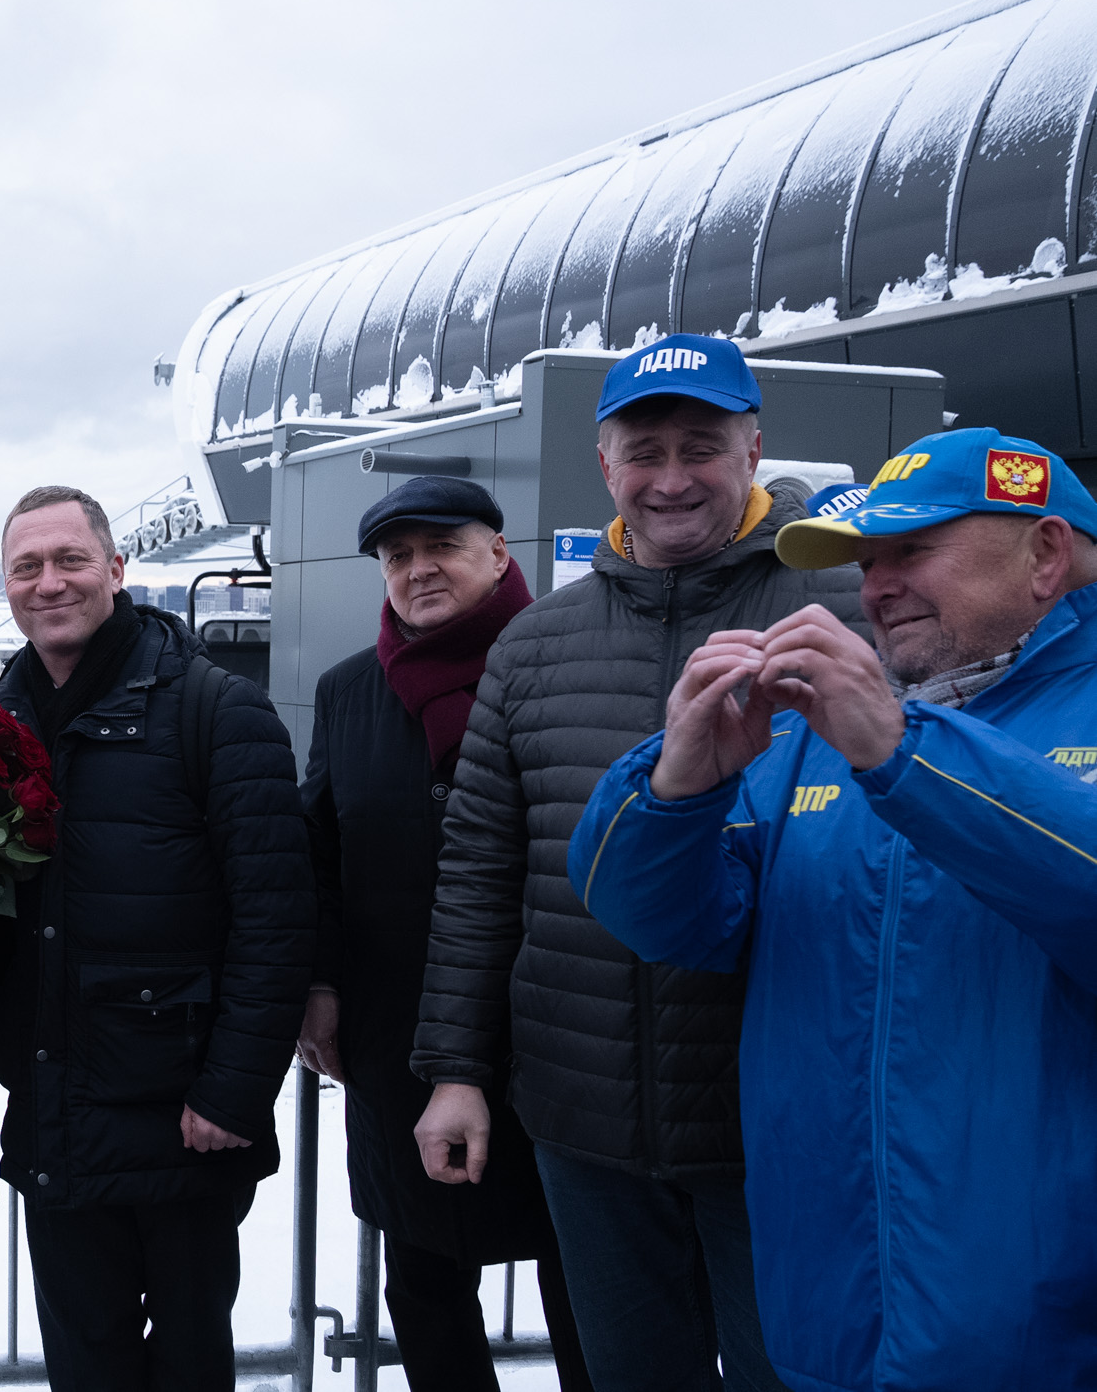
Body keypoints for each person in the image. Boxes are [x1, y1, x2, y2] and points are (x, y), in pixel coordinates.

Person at [570, 428, 1097, 1390]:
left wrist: (908, 753)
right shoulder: (826, 729)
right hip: (828, 1316)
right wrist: (674, 791)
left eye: (911, 550)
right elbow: (668, 924)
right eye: (865, 562)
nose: (876, 587)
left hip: (1045, 1334)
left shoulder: (883, 728)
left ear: (1046, 554)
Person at [410, 334, 859, 1392]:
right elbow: (479, 870)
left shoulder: (837, 615)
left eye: (700, 447)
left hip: (781, 1120)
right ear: (604, 464)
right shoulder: (535, 643)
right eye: (644, 451)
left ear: (753, 450)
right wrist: (456, 1070)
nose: (671, 479)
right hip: (588, 1118)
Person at [0, 485, 312, 1391]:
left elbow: (277, 921)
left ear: (117, 569)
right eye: (26, 566)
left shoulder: (217, 711)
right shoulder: (0, 727)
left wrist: (233, 1095)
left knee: (188, 1364)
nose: (49, 582)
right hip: (55, 1110)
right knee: (83, 1365)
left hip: (182, 1122)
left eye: (71, 559)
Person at [296, 476, 590, 1392]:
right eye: (398, 556)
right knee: (424, 1279)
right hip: (404, 1039)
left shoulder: (564, 664)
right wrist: (320, 983)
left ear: (497, 555)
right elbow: (318, 853)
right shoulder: (350, 691)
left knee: (585, 1278)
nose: (418, 570)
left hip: (560, 1031)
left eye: (442, 548)